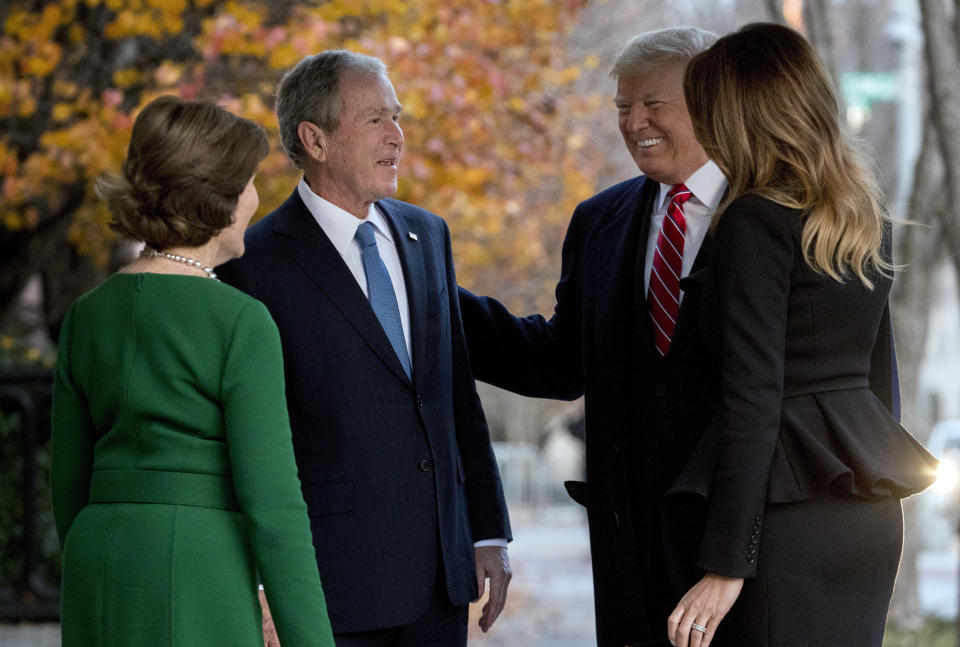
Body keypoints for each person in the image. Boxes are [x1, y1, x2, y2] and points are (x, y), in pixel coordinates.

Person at [216, 50, 512, 647]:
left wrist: (487, 532)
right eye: (377, 118)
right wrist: (260, 580)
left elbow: (455, 396)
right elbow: (246, 442)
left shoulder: (426, 234)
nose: (398, 137)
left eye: (397, 117)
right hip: (330, 587)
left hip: (440, 581)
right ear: (315, 139)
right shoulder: (254, 264)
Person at [665, 22, 938, 647]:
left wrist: (728, 562)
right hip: (866, 516)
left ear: (735, 117)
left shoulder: (753, 221)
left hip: (782, 521)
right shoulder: (862, 217)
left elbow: (753, 400)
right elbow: (877, 383)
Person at [457, 27, 729, 647]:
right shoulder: (599, 220)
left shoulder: (773, 210)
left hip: (739, 544)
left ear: (712, 101)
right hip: (628, 538)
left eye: (653, 104)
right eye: (622, 108)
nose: (634, 123)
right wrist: (435, 303)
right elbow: (561, 363)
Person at [50, 96, 335, 647]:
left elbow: (68, 483)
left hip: (97, 564)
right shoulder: (240, 321)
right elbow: (274, 506)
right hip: (201, 572)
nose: (257, 198)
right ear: (218, 198)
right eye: (249, 181)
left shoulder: (87, 314)